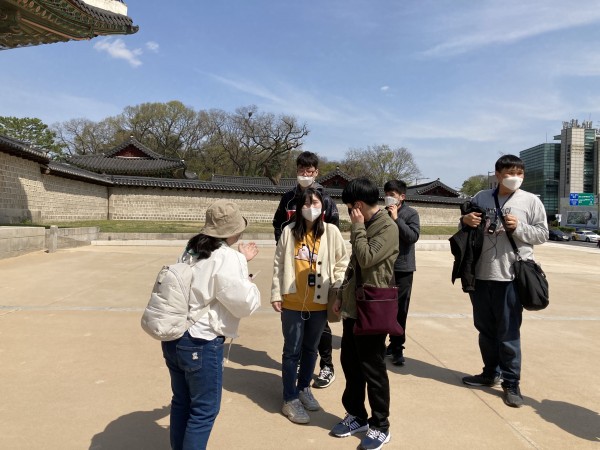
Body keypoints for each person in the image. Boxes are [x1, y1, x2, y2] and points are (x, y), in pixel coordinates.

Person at [161, 200, 261, 449]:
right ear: (234, 231)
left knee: (182, 402)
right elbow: (244, 303)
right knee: (204, 411)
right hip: (201, 342)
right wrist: (244, 266)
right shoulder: (227, 257)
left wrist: (240, 263)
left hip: (175, 335)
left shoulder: (191, 248)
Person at [460, 155, 548, 408]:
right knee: (485, 330)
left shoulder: (531, 201)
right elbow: (466, 224)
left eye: (520, 173)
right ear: (497, 174)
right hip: (481, 274)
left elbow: (542, 234)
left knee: (508, 333)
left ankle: (511, 383)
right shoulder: (481, 197)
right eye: (511, 172)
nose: (516, 177)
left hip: (510, 277)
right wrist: (466, 221)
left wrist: (519, 227)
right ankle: (490, 373)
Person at [330, 177, 399, 450]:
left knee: (373, 369)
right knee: (350, 363)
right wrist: (340, 296)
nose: (348, 212)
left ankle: (380, 424)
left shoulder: (386, 227)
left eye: (349, 207)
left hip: (372, 307)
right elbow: (354, 265)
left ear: (356, 205)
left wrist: (357, 228)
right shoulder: (367, 224)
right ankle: (356, 415)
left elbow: (367, 256)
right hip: (353, 306)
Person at [271, 188, 349, 424]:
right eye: (306, 203)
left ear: (323, 207)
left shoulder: (332, 232)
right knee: (291, 351)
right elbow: (278, 265)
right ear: (299, 208)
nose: (311, 206)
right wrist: (276, 293)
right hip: (292, 301)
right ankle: (290, 398)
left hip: (320, 301)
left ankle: (304, 388)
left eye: (315, 202)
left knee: (310, 350)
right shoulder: (288, 231)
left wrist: (337, 289)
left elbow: (342, 262)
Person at [272, 151, 340, 389]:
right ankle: (300, 372)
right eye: (301, 170)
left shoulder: (325, 198)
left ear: (316, 173)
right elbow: (278, 224)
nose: (305, 175)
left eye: (309, 172)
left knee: (321, 327)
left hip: (319, 272)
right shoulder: (289, 198)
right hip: (295, 269)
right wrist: (286, 246)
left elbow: (334, 232)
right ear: (297, 170)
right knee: (296, 331)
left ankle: (327, 365)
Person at [383, 179, 420, 366]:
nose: (389, 198)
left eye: (393, 195)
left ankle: (397, 348)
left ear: (402, 197)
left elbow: (412, 237)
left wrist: (397, 218)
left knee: (400, 310)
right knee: (382, 308)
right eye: (387, 194)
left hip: (403, 268)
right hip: (383, 268)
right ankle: (381, 345)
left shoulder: (411, 213)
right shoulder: (382, 214)